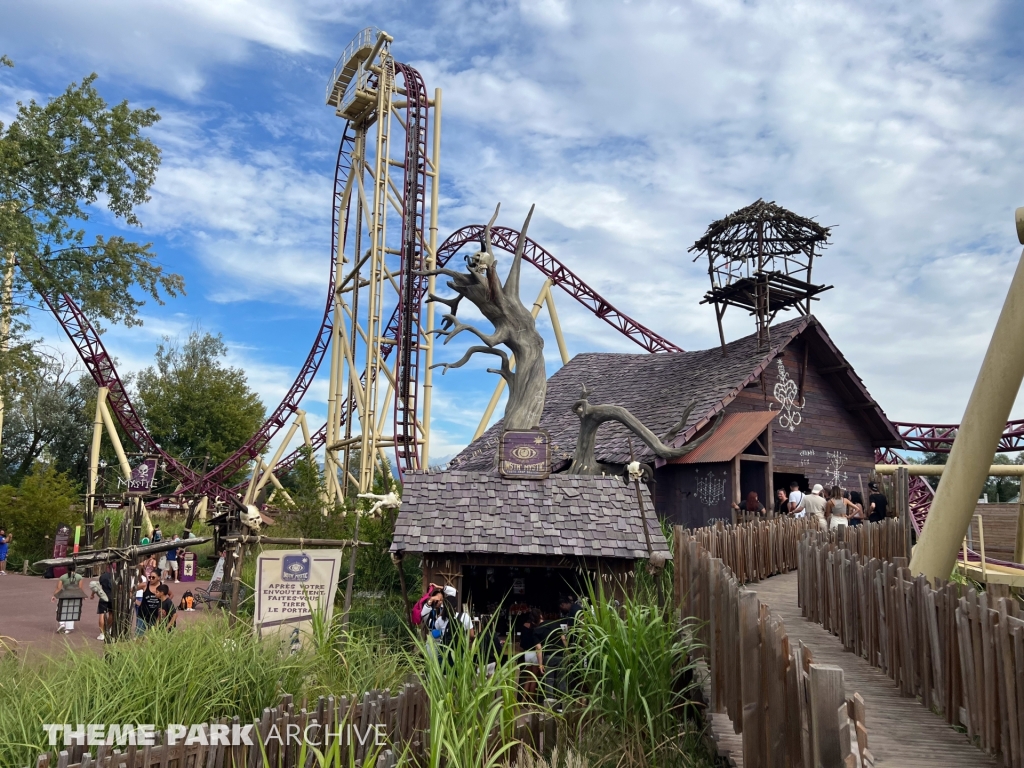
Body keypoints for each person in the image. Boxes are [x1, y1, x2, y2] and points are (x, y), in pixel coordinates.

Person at [51, 563, 89, 633]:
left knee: (61, 609)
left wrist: (54, 596)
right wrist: (83, 595)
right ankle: (68, 628)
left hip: (64, 595)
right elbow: (80, 588)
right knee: (71, 611)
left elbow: (59, 588)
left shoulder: (63, 577)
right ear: (75, 568)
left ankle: (62, 624)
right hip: (75, 595)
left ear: (67, 569)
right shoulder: (79, 577)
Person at [519, 611, 544, 699]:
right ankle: (530, 702)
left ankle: (523, 700)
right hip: (535, 653)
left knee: (528, 678)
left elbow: (522, 640)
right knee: (534, 678)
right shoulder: (538, 627)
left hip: (527, 653)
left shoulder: (525, 625)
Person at [90, 565, 115, 640]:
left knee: (101, 614)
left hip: (103, 596)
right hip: (113, 597)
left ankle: (102, 634)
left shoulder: (103, 576)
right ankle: (108, 629)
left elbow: (96, 587)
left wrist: (92, 594)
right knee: (112, 613)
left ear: (107, 568)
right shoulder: (117, 575)